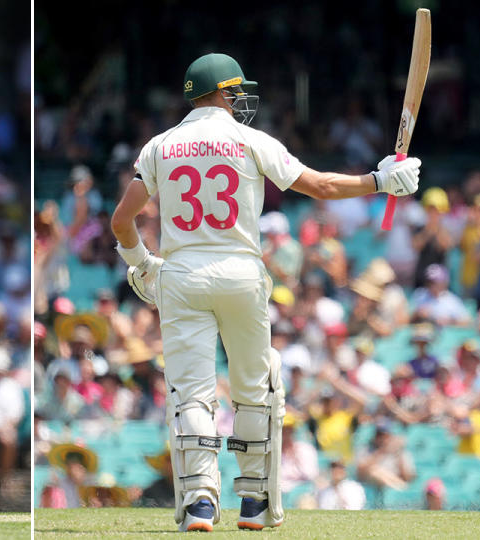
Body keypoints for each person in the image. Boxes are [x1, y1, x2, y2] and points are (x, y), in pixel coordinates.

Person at [109, 53, 421, 532]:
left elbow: (121, 221)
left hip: (181, 276)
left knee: (191, 394)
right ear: (221, 92)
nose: (240, 98)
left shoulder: (159, 146)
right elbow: (319, 186)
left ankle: (200, 504)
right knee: (254, 390)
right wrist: (380, 181)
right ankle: (253, 501)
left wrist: (142, 264)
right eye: (235, 90)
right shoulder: (249, 140)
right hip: (240, 274)